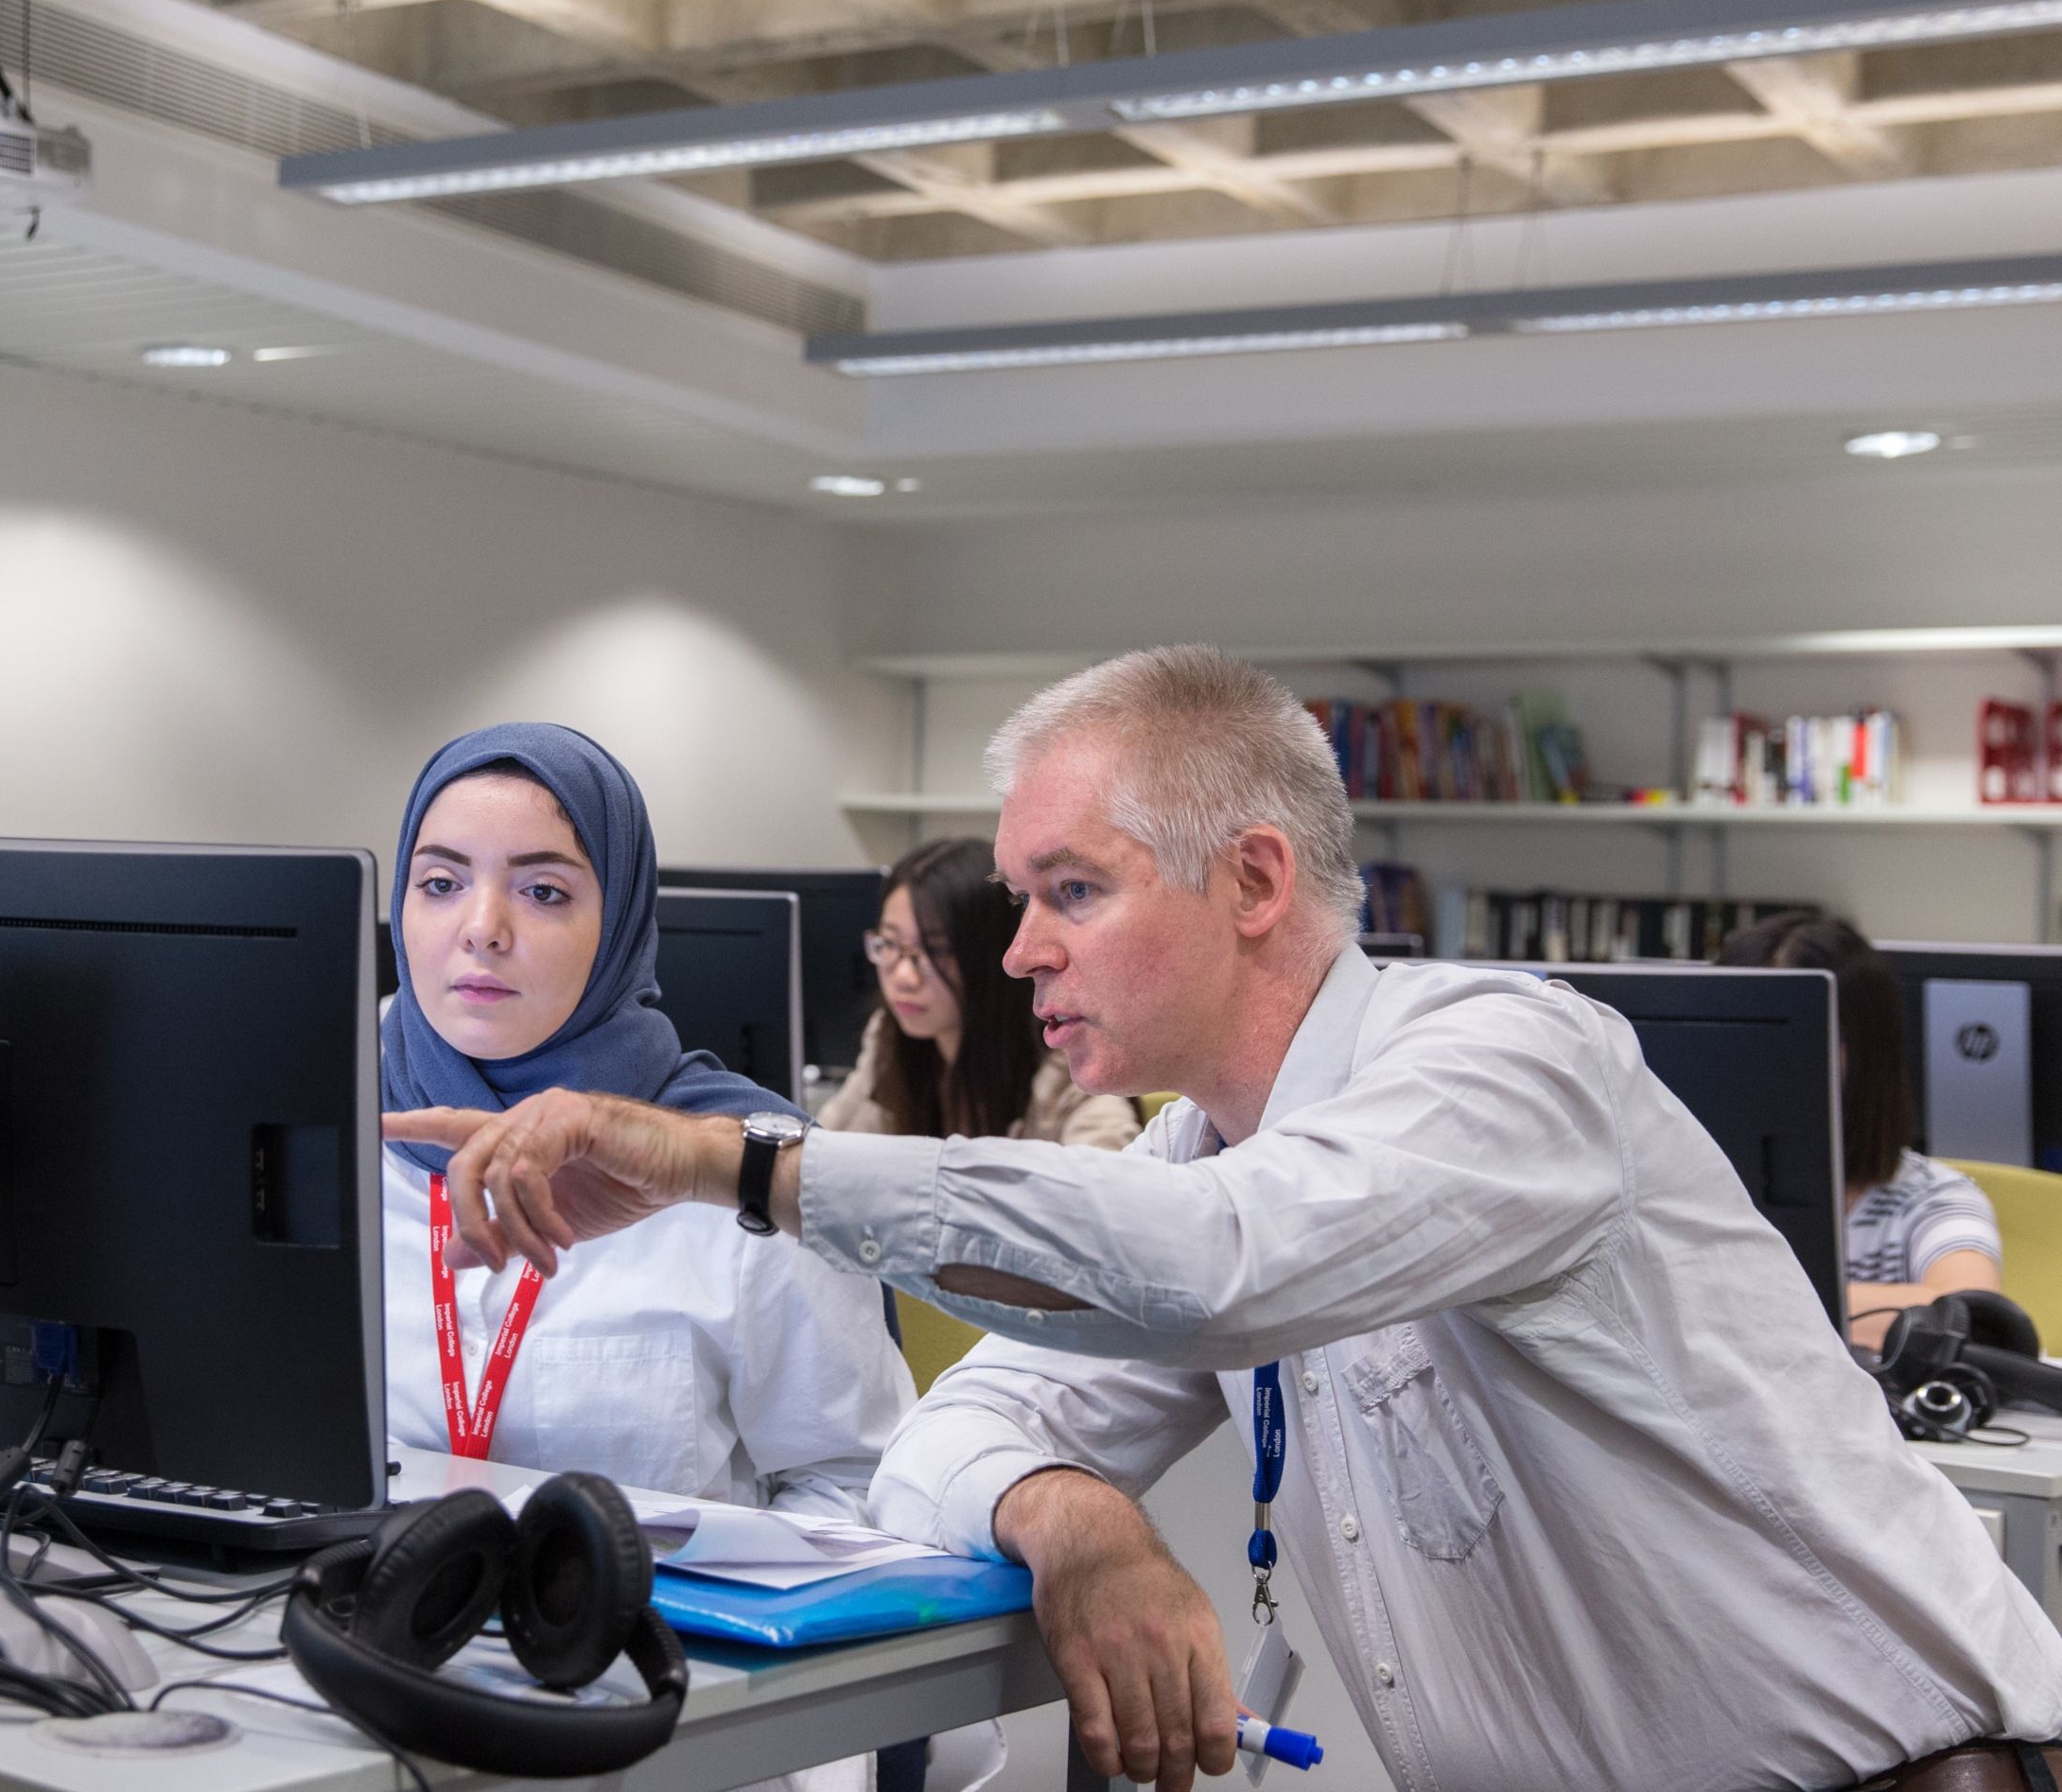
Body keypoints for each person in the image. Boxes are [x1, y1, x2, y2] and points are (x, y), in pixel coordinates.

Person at [390, 648, 2062, 1792]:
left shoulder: (1506, 1061)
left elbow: (1228, 1264)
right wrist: (1077, 1520)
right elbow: (954, 1432)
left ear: (1255, 884)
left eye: (1071, 892)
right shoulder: (1206, 1149)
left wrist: (729, 1165)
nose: (1020, 950)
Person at [380, 722, 913, 1515]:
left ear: (622, 924)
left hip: (650, 1635)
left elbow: (855, 1489)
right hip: (349, 1625)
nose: (481, 927)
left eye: (543, 892)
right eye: (440, 883)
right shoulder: (315, 1146)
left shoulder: (751, 1173)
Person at [1718, 909, 2002, 1348]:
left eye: (1788, 1036)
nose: (1761, 1065)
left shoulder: (1929, 1199)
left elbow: (1971, 1316)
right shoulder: (1679, 1183)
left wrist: (1727, 1305)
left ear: (1867, 1052)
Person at [819, 837, 1139, 1151]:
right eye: (889, 945)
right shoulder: (890, 1036)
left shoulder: (1069, 1062)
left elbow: (1109, 1182)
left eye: (936, 950)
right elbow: (826, 1149)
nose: (903, 977)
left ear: (994, 953)